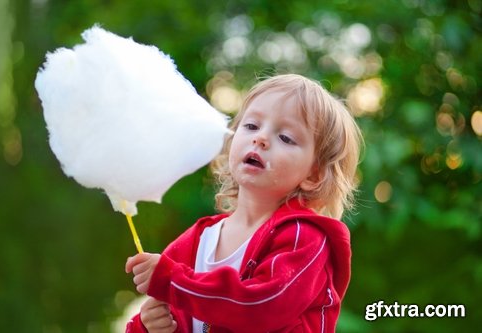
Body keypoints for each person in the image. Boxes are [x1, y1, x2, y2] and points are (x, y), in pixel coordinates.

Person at [125, 74, 363, 333]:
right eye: (251, 126)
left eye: (285, 138)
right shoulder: (196, 240)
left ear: (313, 175)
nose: (260, 138)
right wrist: (148, 326)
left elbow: (263, 308)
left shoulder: (303, 238)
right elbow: (169, 305)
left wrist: (172, 281)